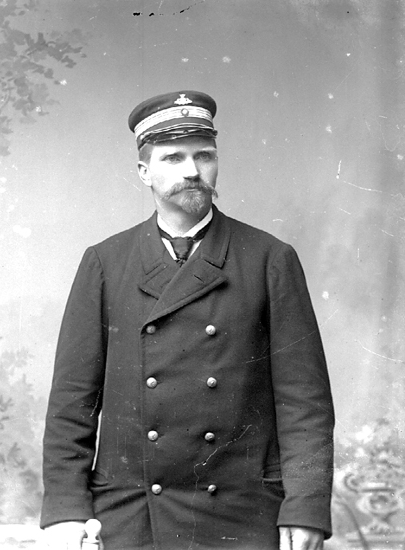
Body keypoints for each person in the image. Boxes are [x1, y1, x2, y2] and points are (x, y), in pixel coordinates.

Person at [40, 91, 334, 550]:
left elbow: (305, 402)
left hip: (241, 514)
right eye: (173, 158)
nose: (192, 170)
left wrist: (306, 507)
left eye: (204, 156)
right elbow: (71, 402)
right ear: (144, 172)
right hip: (132, 514)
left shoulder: (268, 259)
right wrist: (65, 511)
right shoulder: (106, 262)